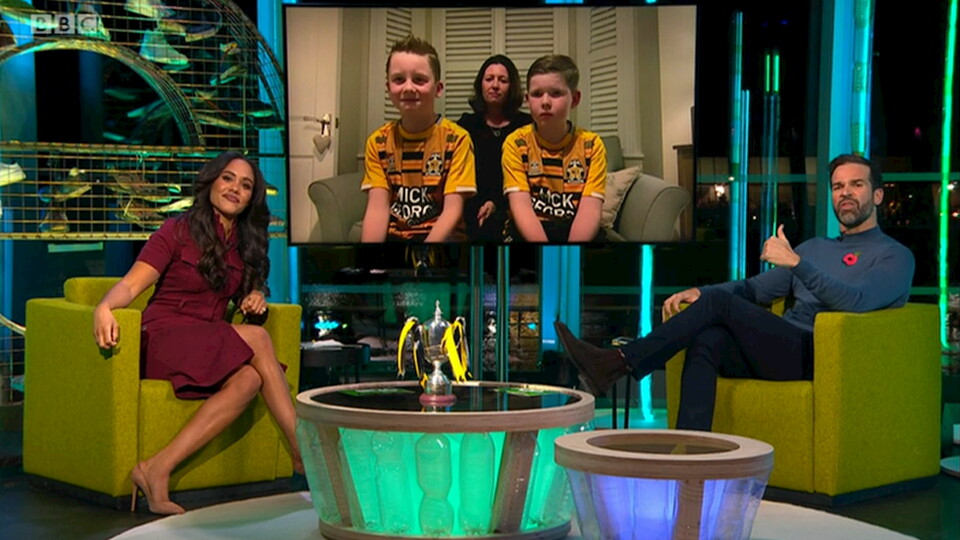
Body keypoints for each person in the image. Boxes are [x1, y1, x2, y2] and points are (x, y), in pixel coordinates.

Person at [555, 154, 915, 430]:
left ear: (877, 195)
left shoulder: (895, 256)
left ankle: (616, 363)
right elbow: (753, 290)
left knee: (719, 306)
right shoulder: (815, 247)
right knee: (708, 339)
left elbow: (857, 302)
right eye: (838, 187)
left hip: (822, 355)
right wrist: (700, 291)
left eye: (856, 185)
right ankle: (692, 455)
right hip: (782, 348)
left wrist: (796, 263)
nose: (845, 193)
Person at [92, 152, 302, 515]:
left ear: (251, 199)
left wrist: (254, 296)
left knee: (249, 380)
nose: (235, 188)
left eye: (245, 185)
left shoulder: (245, 245)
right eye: (227, 178)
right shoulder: (176, 230)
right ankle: (303, 452)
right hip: (163, 337)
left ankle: (156, 468)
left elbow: (241, 297)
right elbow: (130, 285)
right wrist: (104, 307)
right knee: (259, 340)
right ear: (211, 182)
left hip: (204, 342)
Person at [360, 34, 477, 243]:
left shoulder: (457, 139)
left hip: (442, 240)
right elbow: (378, 208)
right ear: (388, 87)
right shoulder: (377, 142)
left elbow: (452, 210)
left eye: (419, 80)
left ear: (438, 89)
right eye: (398, 80)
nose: (408, 88)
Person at [502, 54, 606, 243]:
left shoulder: (591, 145)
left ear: (575, 99)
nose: (545, 102)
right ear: (527, 100)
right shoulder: (516, 143)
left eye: (556, 93)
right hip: (529, 231)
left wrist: (567, 254)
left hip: (575, 228)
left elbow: (590, 211)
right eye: (537, 94)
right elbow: (521, 208)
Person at [457, 54, 532, 242]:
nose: (495, 85)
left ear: (511, 87)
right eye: (489, 79)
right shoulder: (466, 125)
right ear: (480, 85)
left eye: (503, 80)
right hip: (472, 207)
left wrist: (497, 203)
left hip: (514, 205)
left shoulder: (526, 126)